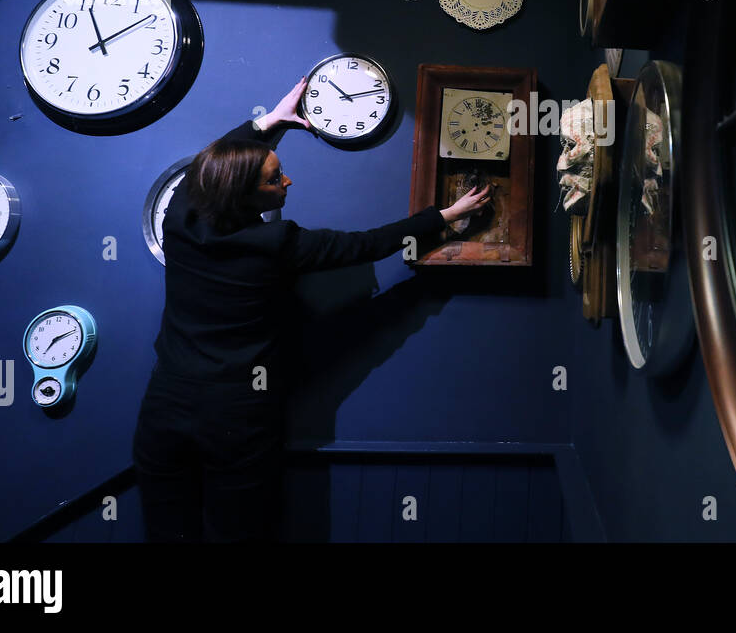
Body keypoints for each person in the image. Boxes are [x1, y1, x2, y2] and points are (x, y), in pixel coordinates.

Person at [131, 76, 491, 542]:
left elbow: (208, 164)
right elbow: (366, 245)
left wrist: (266, 124)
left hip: (165, 405)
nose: (287, 180)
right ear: (245, 196)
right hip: (237, 415)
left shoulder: (180, 219)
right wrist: (440, 217)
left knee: (165, 532)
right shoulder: (278, 243)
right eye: (274, 179)